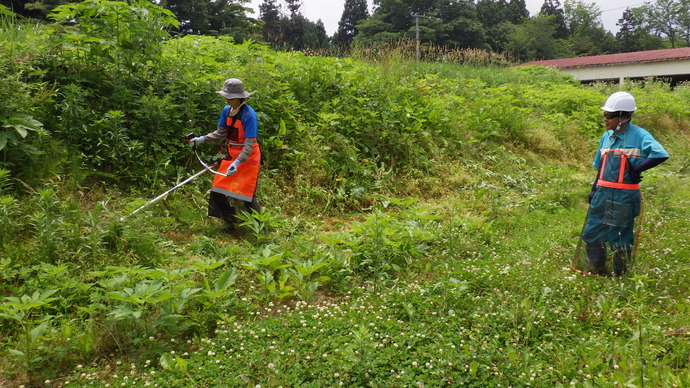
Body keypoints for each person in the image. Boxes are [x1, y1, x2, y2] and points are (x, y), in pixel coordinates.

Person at [582, 91, 668, 276]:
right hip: (602, 192)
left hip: (623, 195)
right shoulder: (607, 137)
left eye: (610, 115)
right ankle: (596, 269)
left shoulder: (640, 135)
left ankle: (619, 275)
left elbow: (660, 154)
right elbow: (601, 166)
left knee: (618, 236)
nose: (605, 119)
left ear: (625, 116)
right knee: (592, 231)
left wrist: (635, 169)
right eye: (605, 114)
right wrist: (594, 188)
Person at [188, 78, 262, 231]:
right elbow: (220, 133)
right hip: (231, 156)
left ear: (240, 97)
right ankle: (229, 221)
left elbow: (248, 145)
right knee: (217, 190)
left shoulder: (249, 114)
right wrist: (202, 139)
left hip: (248, 158)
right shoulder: (226, 110)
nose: (227, 100)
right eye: (226, 96)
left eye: (231, 97)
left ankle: (262, 228)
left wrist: (238, 162)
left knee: (247, 196)